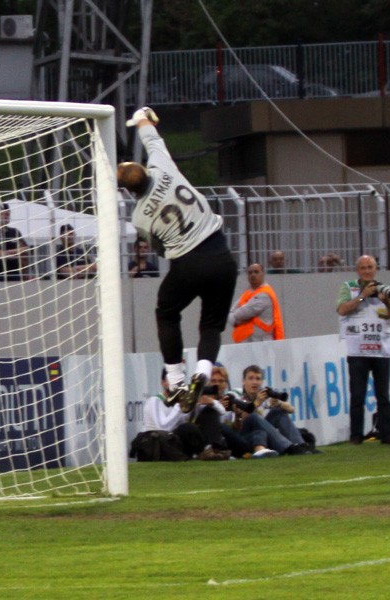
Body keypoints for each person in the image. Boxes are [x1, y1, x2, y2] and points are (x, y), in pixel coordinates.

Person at [117, 106, 237, 406]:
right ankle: (203, 371)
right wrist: (141, 117)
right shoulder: (163, 167)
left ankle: (176, 379)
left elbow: (159, 248)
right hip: (221, 254)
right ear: (146, 170)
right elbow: (152, 138)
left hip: (188, 263)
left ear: (129, 192)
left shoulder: (140, 218)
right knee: (211, 325)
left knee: (167, 312)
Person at [336, 255, 390, 445]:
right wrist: (362, 295)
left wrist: (387, 302)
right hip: (357, 350)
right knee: (357, 395)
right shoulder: (348, 287)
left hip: (381, 349)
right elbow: (342, 309)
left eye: (370, 267)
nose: (366, 271)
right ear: (358, 270)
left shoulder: (384, 288)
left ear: (375, 269)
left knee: (383, 395)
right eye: (363, 268)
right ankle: (356, 435)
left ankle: (386, 434)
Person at [129, 369, 222, 461]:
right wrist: (180, 406)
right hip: (156, 444)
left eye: (180, 381)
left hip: (174, 442)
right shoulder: (155, 401)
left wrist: (212, 402)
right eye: (172, 380)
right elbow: (162, 427)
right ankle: (204, 452)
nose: (177, 385)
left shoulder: (181, 400)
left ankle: (212, 450)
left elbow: (221, 413)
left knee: (210, 412)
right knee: (188, 428)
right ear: (163, 383)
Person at [232, 364, 313, 454]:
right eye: (250, 378)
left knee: (277, 411)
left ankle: (301, 446)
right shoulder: (236, 395)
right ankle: (289, 448)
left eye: (258, 379)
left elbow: (291, 409)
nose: (254, 382)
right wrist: (256, 403)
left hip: (263, 434)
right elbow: (237, 426)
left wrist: (279, 403)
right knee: (254, 417)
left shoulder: (262, 394)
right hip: (244, 436)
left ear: (262, 381)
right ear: (243, 381)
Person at [228, 263, 285, 343]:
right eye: (250, 272)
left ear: (263, 273)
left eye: (256, 272)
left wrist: (235, 319)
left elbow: (243, 313)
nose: (253, 275)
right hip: (248, 342)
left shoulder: (264, 294)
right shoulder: (248, 293)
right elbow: (231, 312)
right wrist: (235, 319)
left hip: (262, 343)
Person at [0, 202, 30, 282]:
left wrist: (8, 252)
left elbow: (25, 249)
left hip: (16, 274)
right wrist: (16, 253)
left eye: (7, 214)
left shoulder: (15, 232)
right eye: (2, 214)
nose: (5, 217)